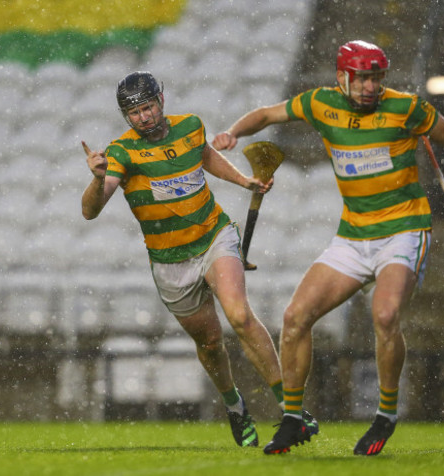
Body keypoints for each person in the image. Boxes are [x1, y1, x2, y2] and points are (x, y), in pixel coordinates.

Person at [213, 40, 444, 455]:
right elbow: (266, 114)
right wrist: (233, 132)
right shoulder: (320, 104)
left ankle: (385, 415)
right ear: (341, 77)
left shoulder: (406, 108)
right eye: (362, 78)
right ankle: (293, 419)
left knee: (384, 315)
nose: (370, 87)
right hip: (353, 234)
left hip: (404, 229)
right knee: (295, 317)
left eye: (376, 78)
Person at [81, 71, 318, 447]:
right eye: (134, 113)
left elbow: (205, 156)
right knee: (209, 343)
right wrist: (97, 179)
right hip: (169, 260)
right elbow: (91, 212)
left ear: (162, 98)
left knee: (240, 315)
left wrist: (245, 182)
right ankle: (234, 404)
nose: (143, 117)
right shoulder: (121, 153)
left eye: (148, 107)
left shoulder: (191, 126)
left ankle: (291, 408)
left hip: (213, 237)